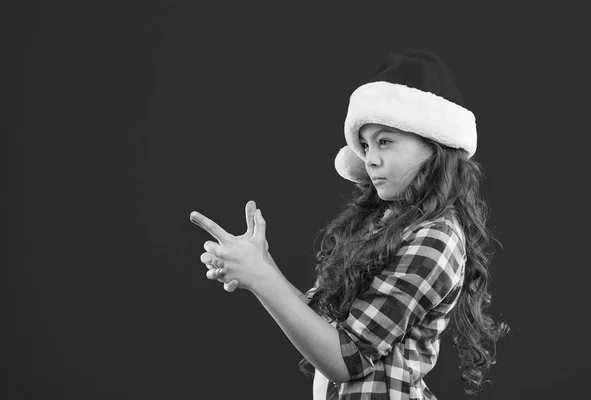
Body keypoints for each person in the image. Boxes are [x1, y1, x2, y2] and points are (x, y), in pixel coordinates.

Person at [197, 49, 510, 399]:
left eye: (385, 142)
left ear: (433, 145)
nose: (370, 159)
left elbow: (346, 357)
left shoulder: (437, 237)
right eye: (364, 144)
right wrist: (260, 266)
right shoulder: (388, 223)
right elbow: (324, 329)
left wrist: (262, 278)